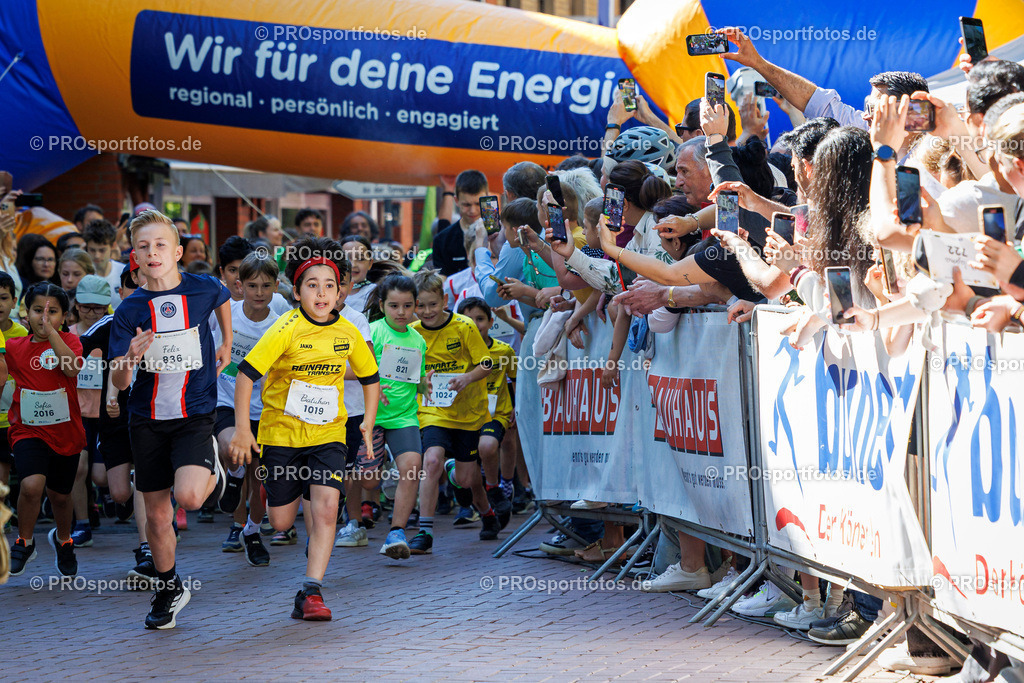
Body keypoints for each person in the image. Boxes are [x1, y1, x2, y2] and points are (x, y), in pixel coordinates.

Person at [229, 237, 380, 621]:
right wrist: (243, 431)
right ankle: (270, 496)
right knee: (281, 521)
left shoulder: (346, 331)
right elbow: (246, 375)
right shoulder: (286, 327)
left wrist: (367, 422)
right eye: (312, 285)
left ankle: (311, 592)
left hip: (328, 432)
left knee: (328, 508)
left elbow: (370, 377)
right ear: (296, 292)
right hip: (280, 434)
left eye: (330, 285)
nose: (322, 292)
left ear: (340, 291)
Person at [109, 209, 232, 629]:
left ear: (177, 251)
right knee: (158, 516)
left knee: (192, 499)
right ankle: (169, 589)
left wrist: (227, 342)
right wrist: (131, 357)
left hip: (194, 412)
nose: (152, 252)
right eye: (143, 246)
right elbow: (121, 382)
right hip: (146, 419)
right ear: (135, 257)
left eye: (160, 244)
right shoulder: (129, 311)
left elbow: (222, 297)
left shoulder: (202, 288)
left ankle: (211, 465)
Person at [80, 262, 157, 587]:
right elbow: (77, 351)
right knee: (119, 491)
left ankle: (147, 550)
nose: (136, 291)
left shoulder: (162, 321)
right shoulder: (108, 325)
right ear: (121, 291)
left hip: (149, 414)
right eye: (130, 285)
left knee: (143, 480)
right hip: (113, 418)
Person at [407, 269, 494, 554]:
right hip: (433, 410)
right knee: (430, 460)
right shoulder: (412, 332)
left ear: (445, 299)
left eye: (433, 304)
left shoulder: (464, 326)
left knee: (467, 480)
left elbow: (486, 364)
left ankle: (485, 510)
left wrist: (466, 378)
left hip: (468, 413)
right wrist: (421, 382)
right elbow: (404, 375)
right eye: (420, 305)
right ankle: (425, 532)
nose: (427, 311)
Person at [6, 283, 84, 578]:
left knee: (61, 497)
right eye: (38, 310)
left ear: (64, 316)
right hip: (28, 431)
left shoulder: (71, 342)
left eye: (52, 312)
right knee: (31, 486)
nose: (43, 317)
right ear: (26, 313)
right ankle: (24, 541)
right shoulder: (14, 347)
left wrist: (52, 334)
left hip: (66, 433)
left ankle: (64, 541)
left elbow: (71, 369)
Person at [361, 273, 432, 558]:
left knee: (413, 466)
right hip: (372, 417)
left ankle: (396, 532)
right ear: (382, 305)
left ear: (415, 305)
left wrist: (426, 384)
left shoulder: (418, 339)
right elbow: (357, 369)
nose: (401, 312)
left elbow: (418, 377)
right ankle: (372, 491)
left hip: (404, 416)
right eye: (393, 306)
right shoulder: (373, 331)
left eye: (407, 306)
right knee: (368, 481)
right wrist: (373, 387)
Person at [212, 252, 275, 567]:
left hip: (263, 410)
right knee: (232, 449)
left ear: (276, 287)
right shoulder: (225, 314)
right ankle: (233, 474)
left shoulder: (280, 325)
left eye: (266, 286)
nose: (259, 293)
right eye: (252, 285)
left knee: (261, 478)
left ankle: (251, 531)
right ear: (239, 285)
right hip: (225, 400)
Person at [454, 297, 514, 528]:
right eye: (468, 320)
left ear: (490, 322)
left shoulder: (504, 351)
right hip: (463, 416)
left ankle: (495, 488)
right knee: (469, 476)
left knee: (487, 447)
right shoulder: (455, 354)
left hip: (495, 414)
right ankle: (487, 516)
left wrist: (515, 408)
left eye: (479, 319)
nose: (475, 324)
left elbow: (515, 380)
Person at [0, 272, 27, 498]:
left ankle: (4, 510)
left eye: (3, 297)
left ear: (14, 301)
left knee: (4, 468)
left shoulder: (21, 334)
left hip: (10, 415)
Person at [432, 170, 489, 276]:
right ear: (456, 201)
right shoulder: (442, 240)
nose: (473, 210)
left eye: (477, 204)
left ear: (487, 198)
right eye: (467, 205)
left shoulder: (499, 234)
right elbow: (442, 282)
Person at [82, 219, 125, 309]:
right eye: (92, 250)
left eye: (102, 250)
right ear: (86, 247)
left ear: (113, 246)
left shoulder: (124, 272)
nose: (97, 255)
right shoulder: (81, 274)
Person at [341, 235, 376, 314]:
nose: (353, 264)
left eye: (360, 259)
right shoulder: (329, 292)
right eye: (346, 258)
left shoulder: (375, 293)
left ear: (370, 263)